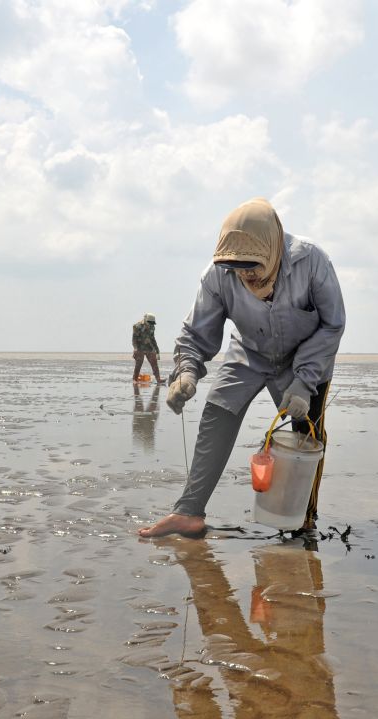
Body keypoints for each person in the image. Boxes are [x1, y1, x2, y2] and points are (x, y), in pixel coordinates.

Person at [139, 198, 346, 538]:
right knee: (216, 415)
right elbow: (195, 333)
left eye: (254, 269)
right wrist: (187, 372)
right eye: (239, 271)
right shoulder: (218, 274)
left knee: (306, 437)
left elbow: (332, 325)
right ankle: (189, 512)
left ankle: (302, 522)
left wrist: (305, 382)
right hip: (249, 351)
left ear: (274, 250)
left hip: (305, 361)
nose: (246, 277)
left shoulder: (312, 261)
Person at [131, 313, 162, 384]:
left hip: (149, 347)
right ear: (145, 320)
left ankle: (158, 379)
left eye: (152, 323)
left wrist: (157, 351)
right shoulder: (137, 326)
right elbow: (134, 339)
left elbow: (153, 339)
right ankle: (135, 379)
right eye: (149, 323)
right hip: (139, 348)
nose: (151, 325)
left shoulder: (152, 327)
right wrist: (135, 349)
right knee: (139, 363)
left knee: (154, 363)